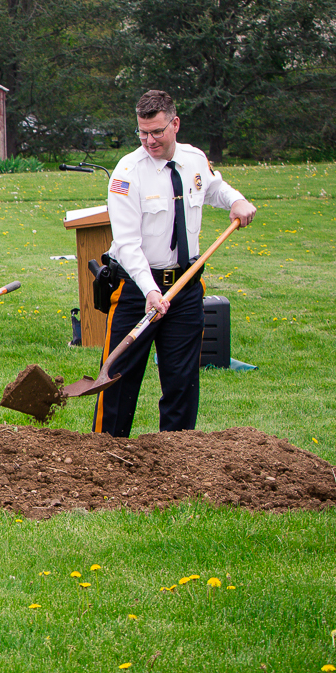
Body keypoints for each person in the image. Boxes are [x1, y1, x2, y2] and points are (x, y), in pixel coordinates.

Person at [96, 90, 257, 437]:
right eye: (142, 132)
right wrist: (151, 291)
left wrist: (237, 200)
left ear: (175, 124)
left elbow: (213, 187)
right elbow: (127, 244)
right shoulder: (127, 173)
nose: (149, 141)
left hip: (185, 288)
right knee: (118, 379)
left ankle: (177, 456)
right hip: (136, 290)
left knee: (182, 380)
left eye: (157, 132)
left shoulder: (193, 159)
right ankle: (105, 453)